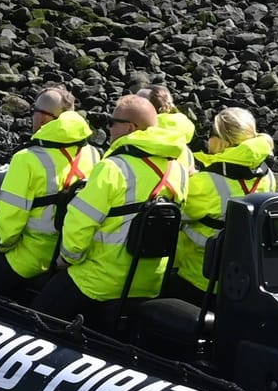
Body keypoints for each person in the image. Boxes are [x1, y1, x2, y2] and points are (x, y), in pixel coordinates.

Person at [32, 95, 194, 325]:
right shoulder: (178, 168)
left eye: (112, 121)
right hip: (149, 282)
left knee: (37, 314)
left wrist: (66, 259)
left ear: (130, 127)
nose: (107, 127)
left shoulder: (113, 167)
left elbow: (80, 221)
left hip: (100, 279)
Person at [0, 87, 99, 303]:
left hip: (32, 255)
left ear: (45, 119)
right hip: (67, 255)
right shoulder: (92, 153)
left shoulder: (26, 159)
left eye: (35, 110)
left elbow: (11, 218)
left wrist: (0, 246)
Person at [164, 107, 277, 307]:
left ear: (223, 140)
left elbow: (175, 213)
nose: (207, 140)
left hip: (199, 277)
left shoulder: (205, 182)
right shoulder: (267, 175)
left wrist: (184, 178)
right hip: (241, 278)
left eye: (211, 134)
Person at [144, 83, 198, 153]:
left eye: (139, 102)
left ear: (162, 109)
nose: (133, 102)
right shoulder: (184, 126)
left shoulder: (143, 130)